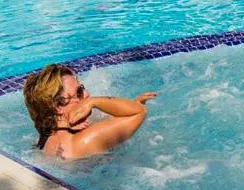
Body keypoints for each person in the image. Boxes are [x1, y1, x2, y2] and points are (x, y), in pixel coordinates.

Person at [22, 64, 157, 159]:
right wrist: (93, 102)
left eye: (82, 88)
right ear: (57, 106)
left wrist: (128, 105)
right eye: (79, 92)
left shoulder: (44, 138)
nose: (86, 94)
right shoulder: (85, 140)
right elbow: (139, 111)